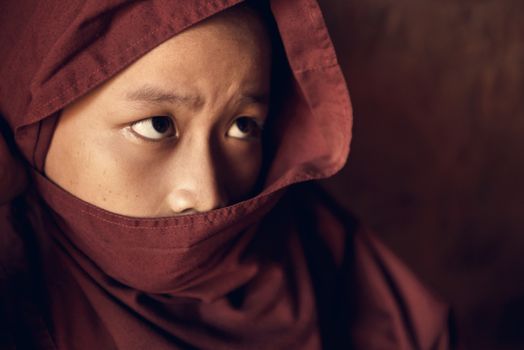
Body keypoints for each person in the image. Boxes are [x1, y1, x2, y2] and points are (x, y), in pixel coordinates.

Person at [0, 0, 453, 349]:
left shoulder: (329, 260)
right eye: (158, 125)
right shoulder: (17, 299)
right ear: (34, 125)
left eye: (243, 126)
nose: (208, 195)